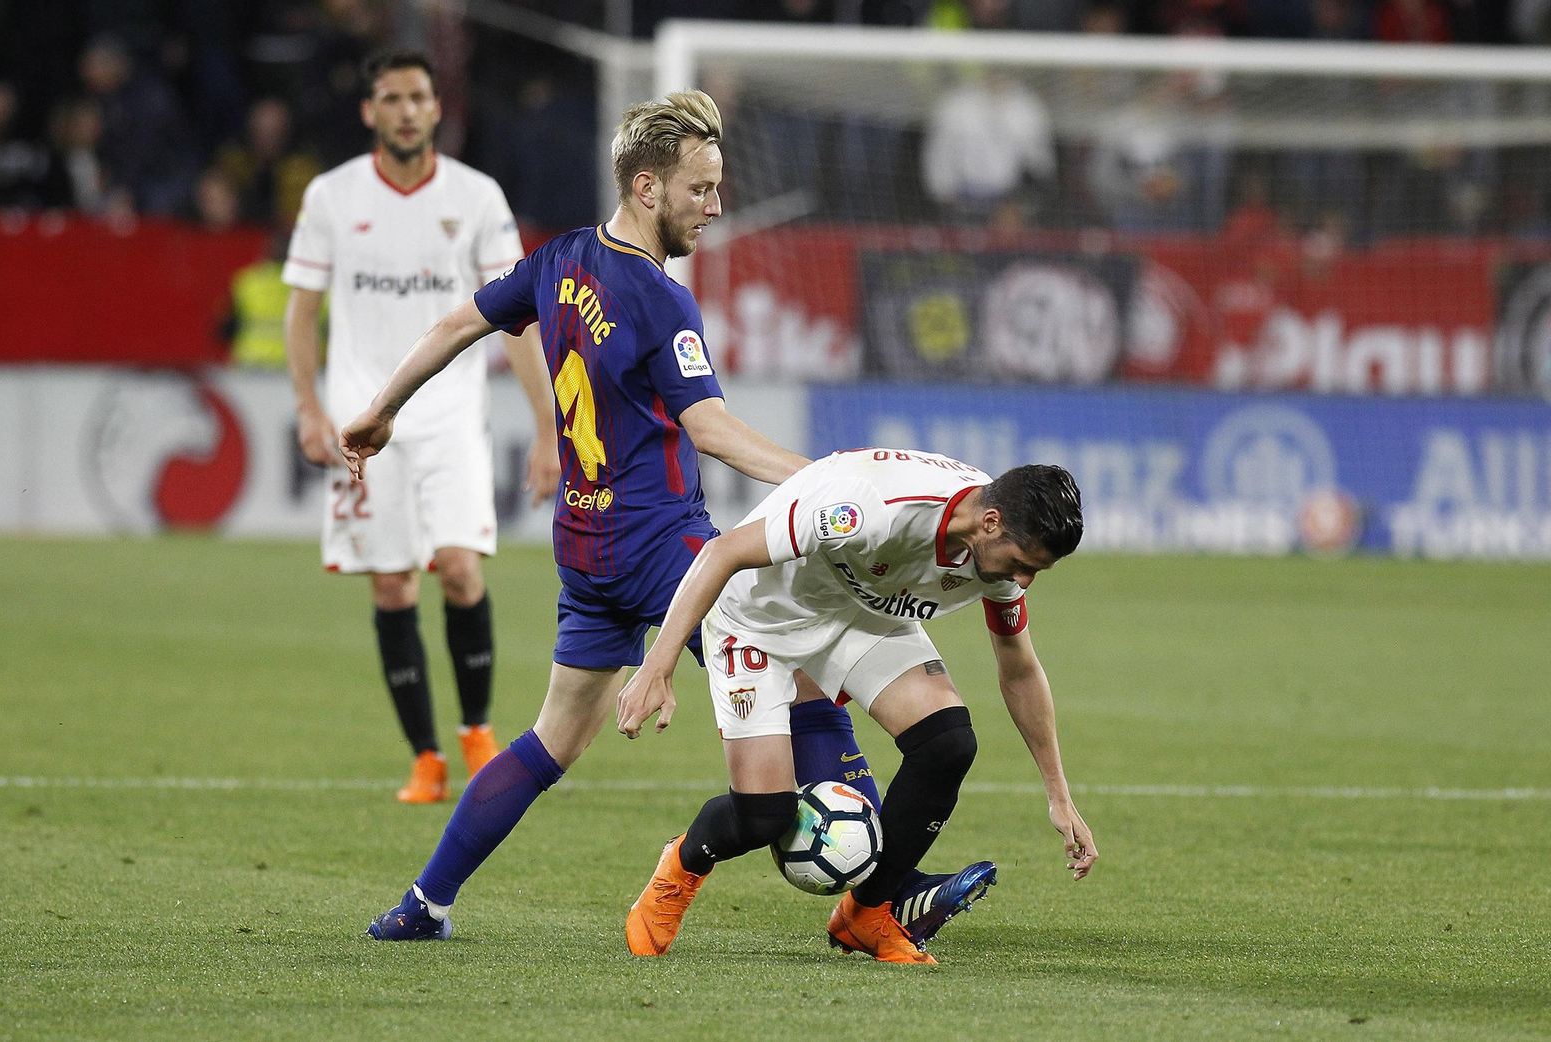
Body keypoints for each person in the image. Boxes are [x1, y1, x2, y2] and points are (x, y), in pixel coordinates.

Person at [343, 90, 998, 948]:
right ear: (648, 187)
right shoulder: (659, 299)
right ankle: (887, 893)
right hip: (666, 548)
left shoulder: (560, 259)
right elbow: (710, 428)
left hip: (584, 552)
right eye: (702, 188)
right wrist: (831, 481)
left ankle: (424, 904)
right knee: (801, 669)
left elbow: (458, 321)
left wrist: (381, 408)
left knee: (551, 740)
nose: (716, 206)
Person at [617, 451, 1099, 964]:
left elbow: (1019, 668)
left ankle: (868, 913)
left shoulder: (998, 546)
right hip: (760, 618)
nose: (1022, 582)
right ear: (990, 523)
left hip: (859, 613)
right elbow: (722, 552)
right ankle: (682, 865)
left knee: (947, 744)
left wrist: (1059, 794)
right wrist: (657, 664)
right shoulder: (872, 508)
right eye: (1023, 566)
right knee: (765, 815)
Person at [283, 48, 560, 804]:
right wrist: (309, 406)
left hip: (449, 421)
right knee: (392, 585)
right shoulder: (332, 197)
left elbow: (517, 320)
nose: (406, 110)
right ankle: (425, 758)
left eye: (418, 97)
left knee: (461, 569)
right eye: (392, 98)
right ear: (370, 111)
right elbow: (302, 310)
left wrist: (546, 426)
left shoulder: (476, 197)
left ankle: (476, 734)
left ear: (437, 109)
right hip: (361, 423)